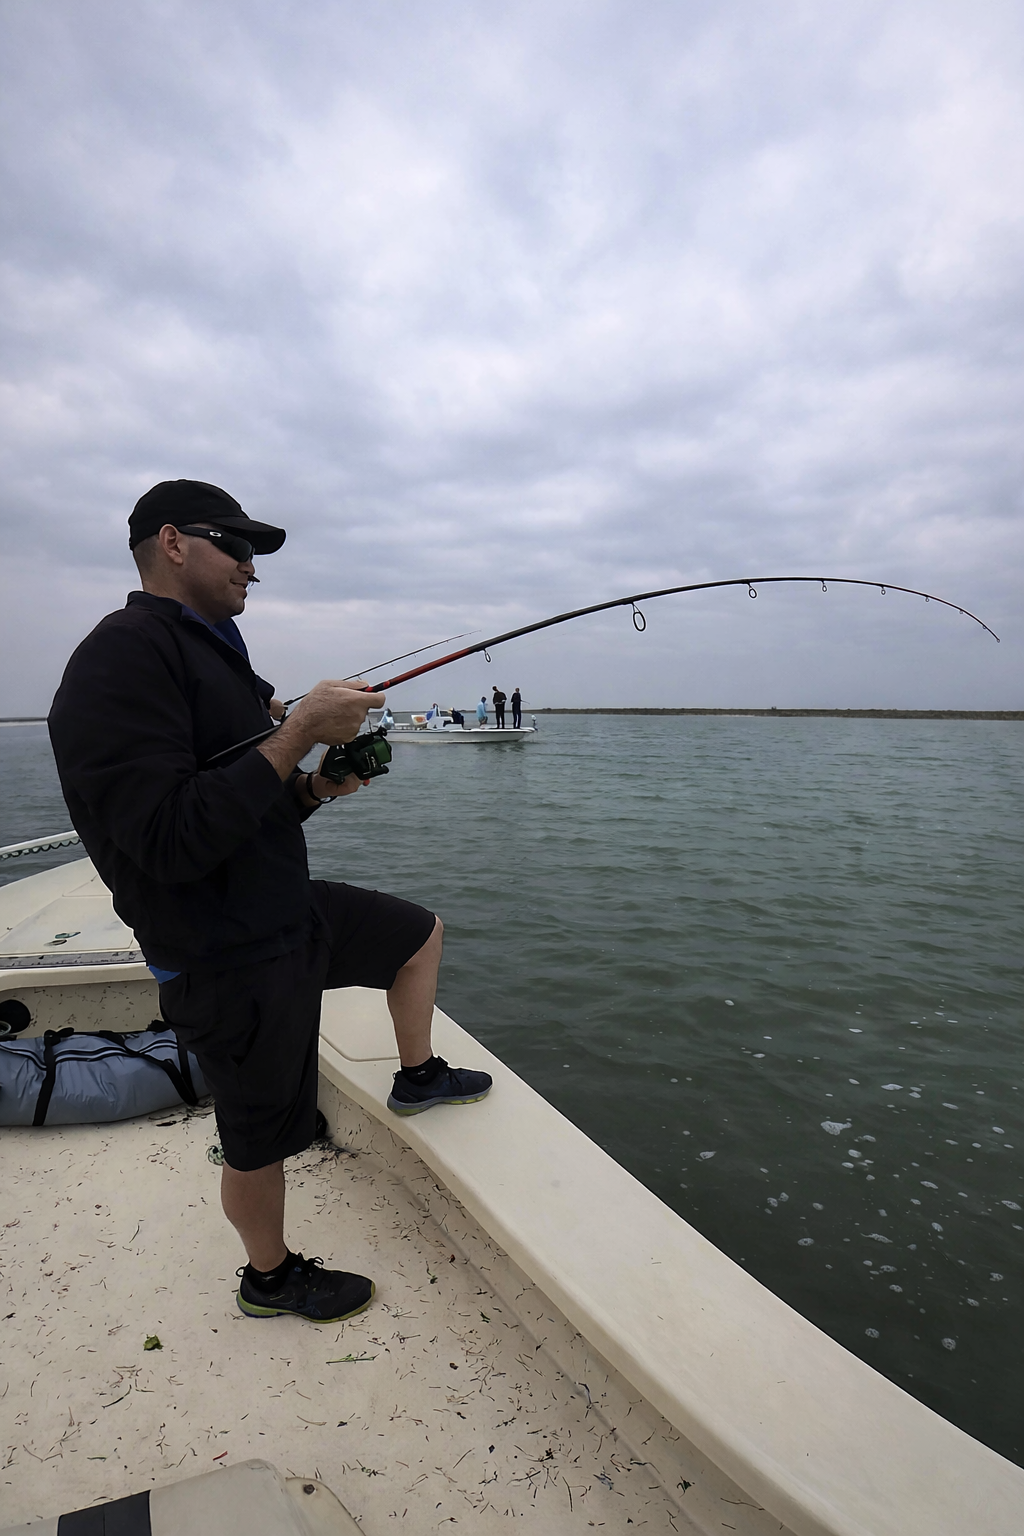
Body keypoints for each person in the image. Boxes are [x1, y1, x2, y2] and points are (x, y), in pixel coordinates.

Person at [47, 479, 491, 1328]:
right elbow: (169, 840)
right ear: (172, 544)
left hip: (282, 910)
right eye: (236, 546)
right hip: (220, 948)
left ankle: (418, 1074)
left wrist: (317, 785)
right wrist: (295, 732)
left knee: (417, 935)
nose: (253, 568)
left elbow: (243, 808)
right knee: (259, 1134)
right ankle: (271, 1277)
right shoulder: (120, 658)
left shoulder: (216, 650)